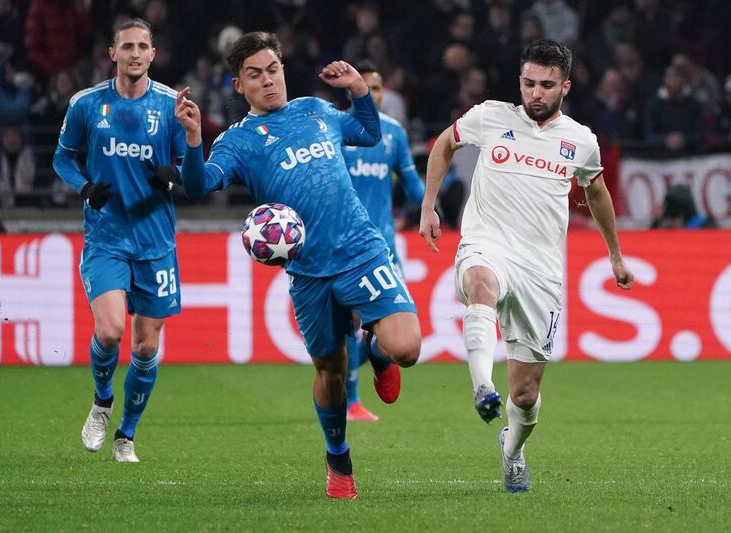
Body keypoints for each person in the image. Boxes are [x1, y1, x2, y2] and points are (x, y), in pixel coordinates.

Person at [175, 32, 421, 499]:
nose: (267, 81)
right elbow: (198, 185)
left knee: (407, 347)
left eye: (273, 70)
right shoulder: (238, 142)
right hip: (308, 273)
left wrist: (358, 91)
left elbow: (368, 133)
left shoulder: (315, 110)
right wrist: (191, 141)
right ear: (238, 85)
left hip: (360, 251)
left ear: (282, 70)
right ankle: (338, 461)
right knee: (329, 370)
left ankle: (378, 350)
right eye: (255, 75)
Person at [419, 39, 635, 493]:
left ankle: (512, 449)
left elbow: (595, 193)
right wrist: (429, 206)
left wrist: (614, 254)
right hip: (487, 243)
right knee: (480, 284)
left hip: (540, 269)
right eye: (529, 83)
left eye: (547, 85)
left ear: (565, 87)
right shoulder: (490, 116)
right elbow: (444, 144)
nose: (535, 93)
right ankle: (481, 386)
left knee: (526, 394)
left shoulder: (581, 141)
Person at [53, 18, 186, 463]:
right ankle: (102, 400)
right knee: (109, 332)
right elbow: (62, 158)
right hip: (107, 237)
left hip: (157, 242)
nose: (134, 53)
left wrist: (175, 175)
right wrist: (85, 188)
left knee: (146, 347)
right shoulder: (87, 105)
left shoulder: (171, 105)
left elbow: (191, 168)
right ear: (112, 53)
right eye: (126, 45)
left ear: (153, 54)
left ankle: (126, 435)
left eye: (142, 46)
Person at [341, 60, 425, 422]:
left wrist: (431, 208)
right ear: (353, 92)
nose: (373, 95)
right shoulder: (335, 131)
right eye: (366, 88)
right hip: (342, 245)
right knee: (347, 326)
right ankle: (351, 400)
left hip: (384, 246)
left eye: (377, 89)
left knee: (391, 330)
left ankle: (368, 360)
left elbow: (412, 184)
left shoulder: (393, 133)